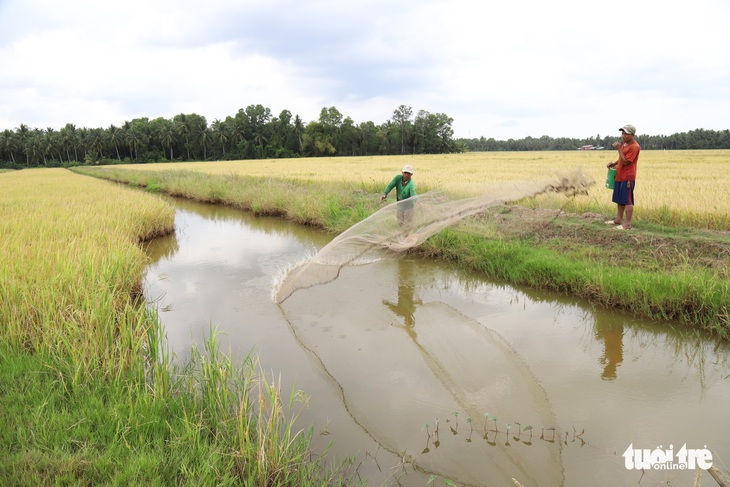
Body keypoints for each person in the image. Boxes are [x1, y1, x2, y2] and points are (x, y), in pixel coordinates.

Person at [606, 124, 640, 230]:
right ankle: (619, 219)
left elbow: (625, 162)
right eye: (622, 133)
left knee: (627, 200)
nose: (623, 136)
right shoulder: (625, 144)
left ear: (633, 135)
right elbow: (622, 159)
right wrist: (614, 164)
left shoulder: (635, 147)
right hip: (620, 175)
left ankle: (628, 224)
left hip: (628, 177)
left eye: (626, 134)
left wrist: (619, 149)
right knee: (620, 199)